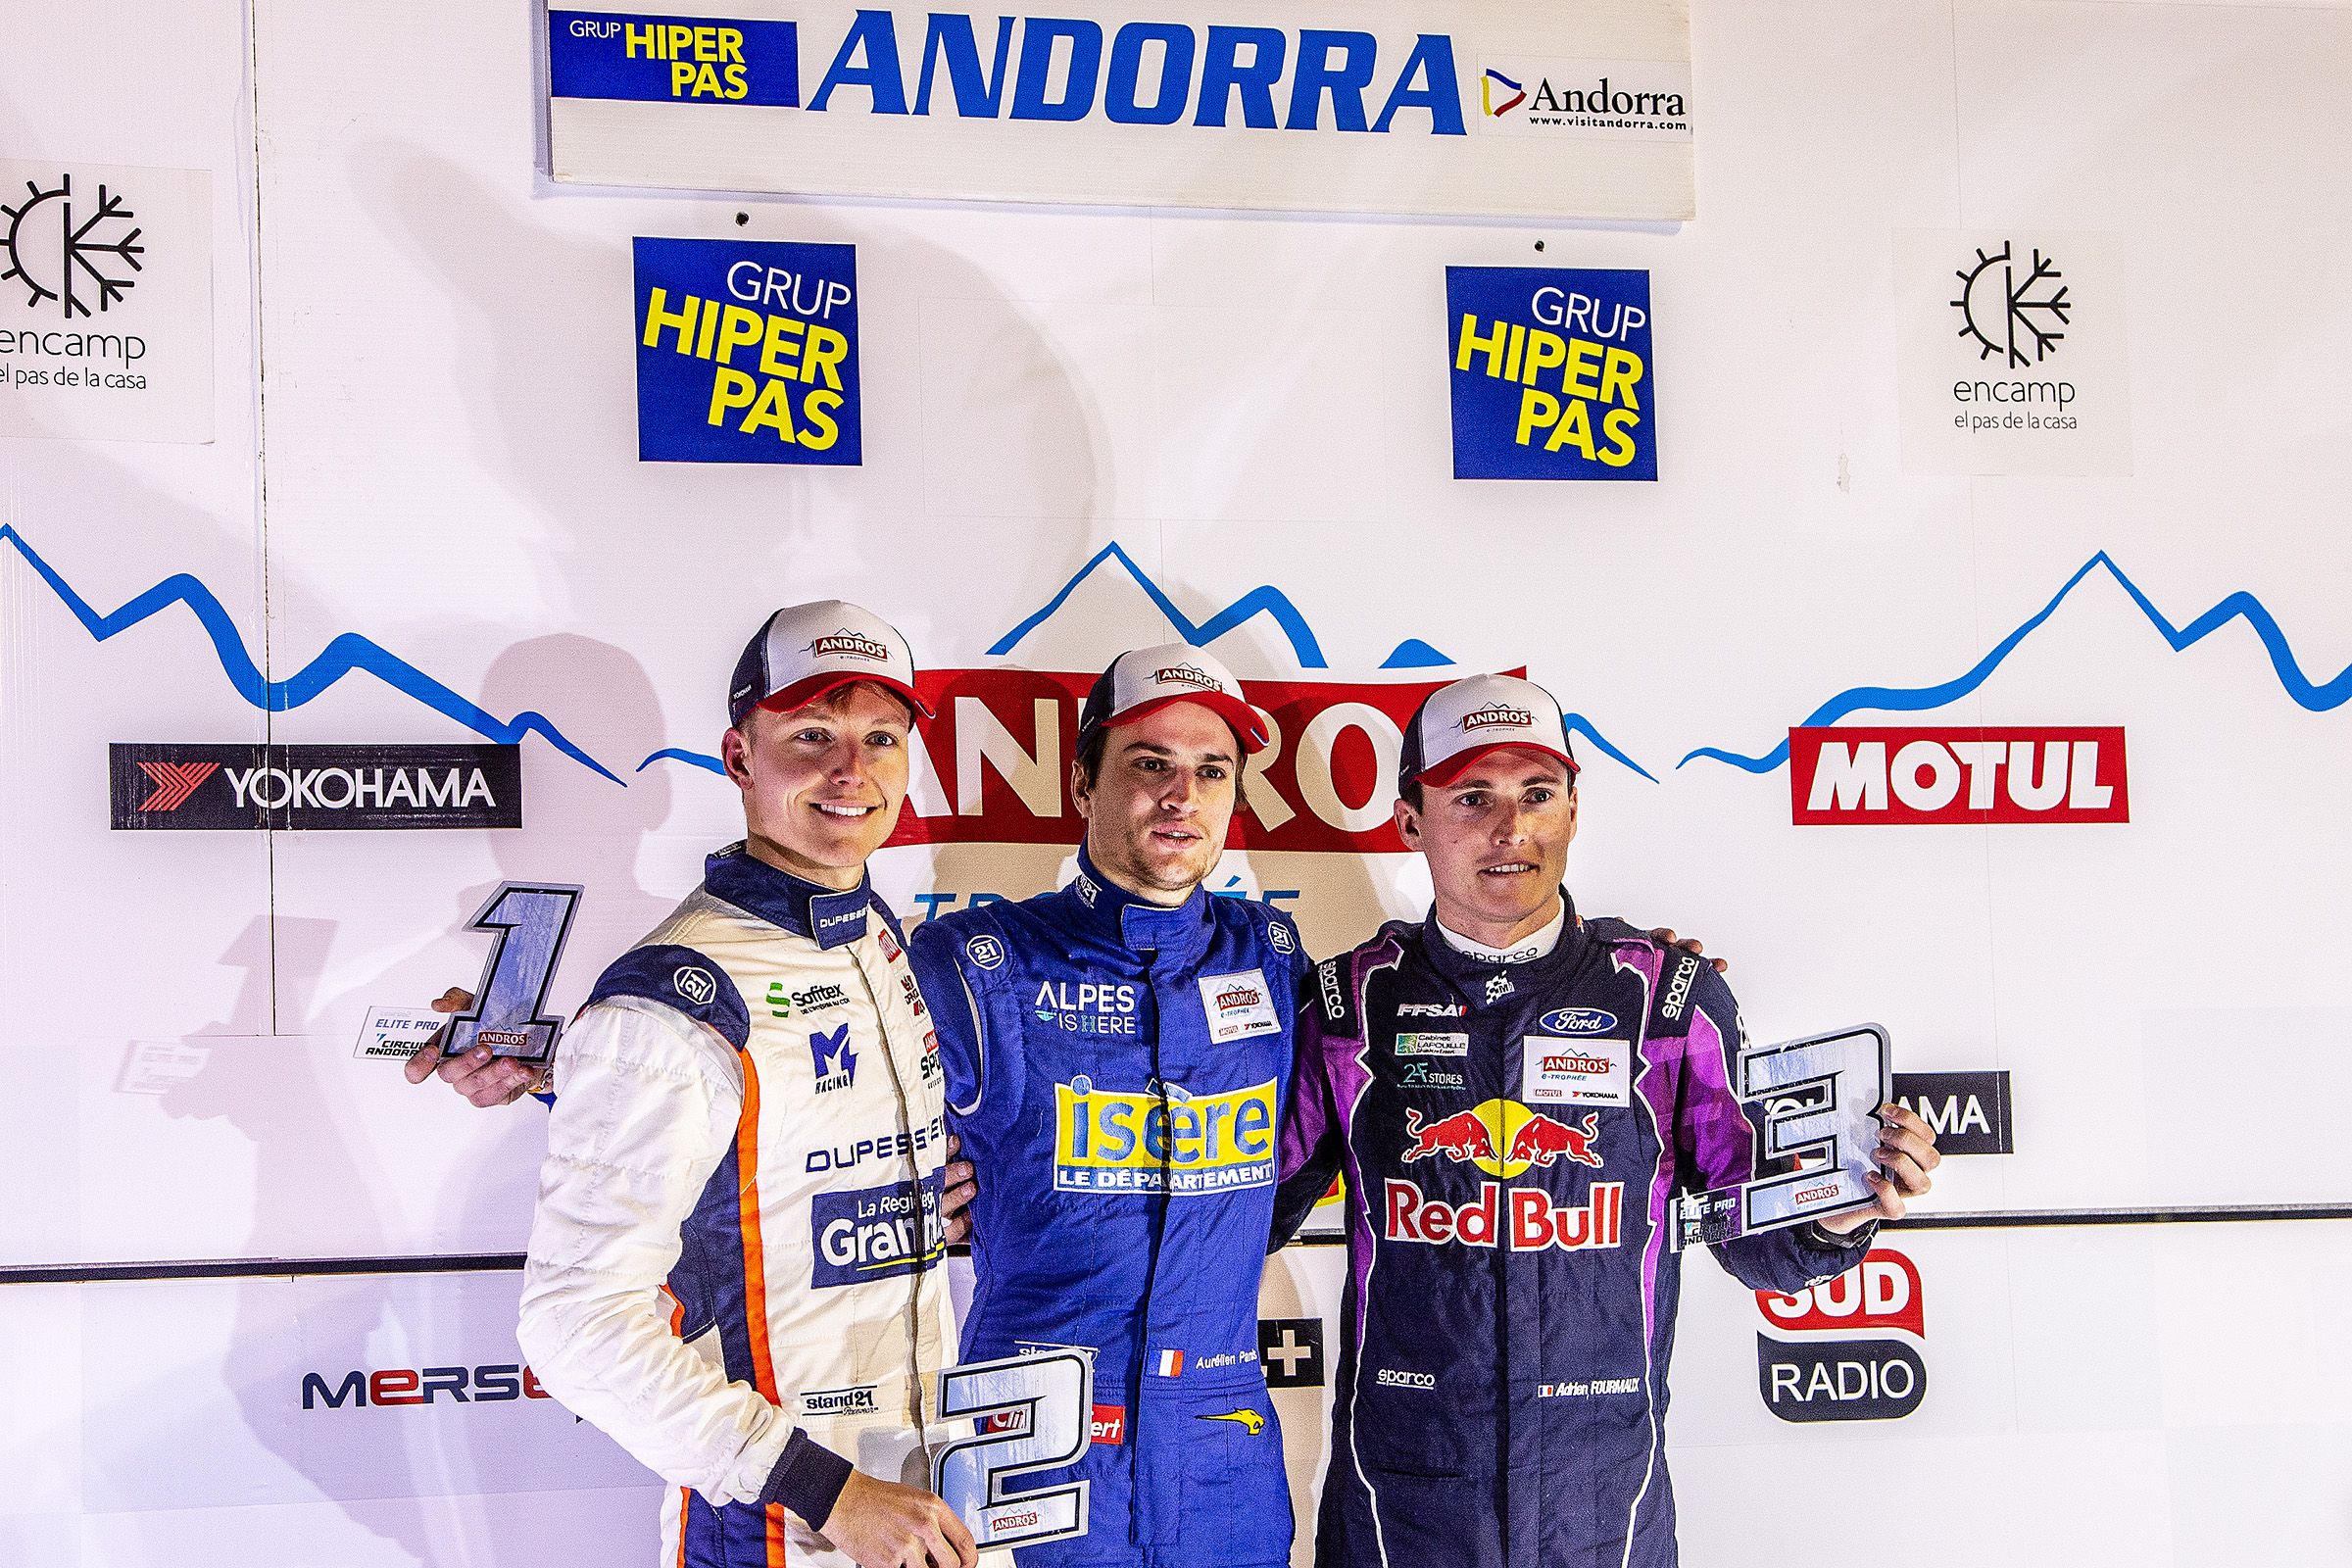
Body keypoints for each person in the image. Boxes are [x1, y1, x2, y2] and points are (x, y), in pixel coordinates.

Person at [1272, 673, 1941, 1568]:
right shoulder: (1347, 1003)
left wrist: (1839, 1211)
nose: (1511, 829)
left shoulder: (1667, 998)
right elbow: (1237, 1213)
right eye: (1472, 798)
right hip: (1401, 1512)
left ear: (1574, 811)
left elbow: (1756, 1240)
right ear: (1409, 821)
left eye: (1537, 794)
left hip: (1601, 1514)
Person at [503, 600, 983, 1568]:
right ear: (738, 756)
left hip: (918, 1499)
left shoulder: (874, 932)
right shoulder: (674, 998)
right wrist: (828, 1491)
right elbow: (574, 1324)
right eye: (811, 735)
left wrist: (913, 1197)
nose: (850, 771)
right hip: (776, 1526)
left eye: (880, 738)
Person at [904, 644, 1307, 1568]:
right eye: (1150, 764)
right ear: (1083, 783)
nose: (1182, 796)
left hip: (1221, 1449)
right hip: (1030, 1442)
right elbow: (815, 1118)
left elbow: (1333, 1128)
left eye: (1212, 772)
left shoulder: (1270, 954)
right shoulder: (975, 960)